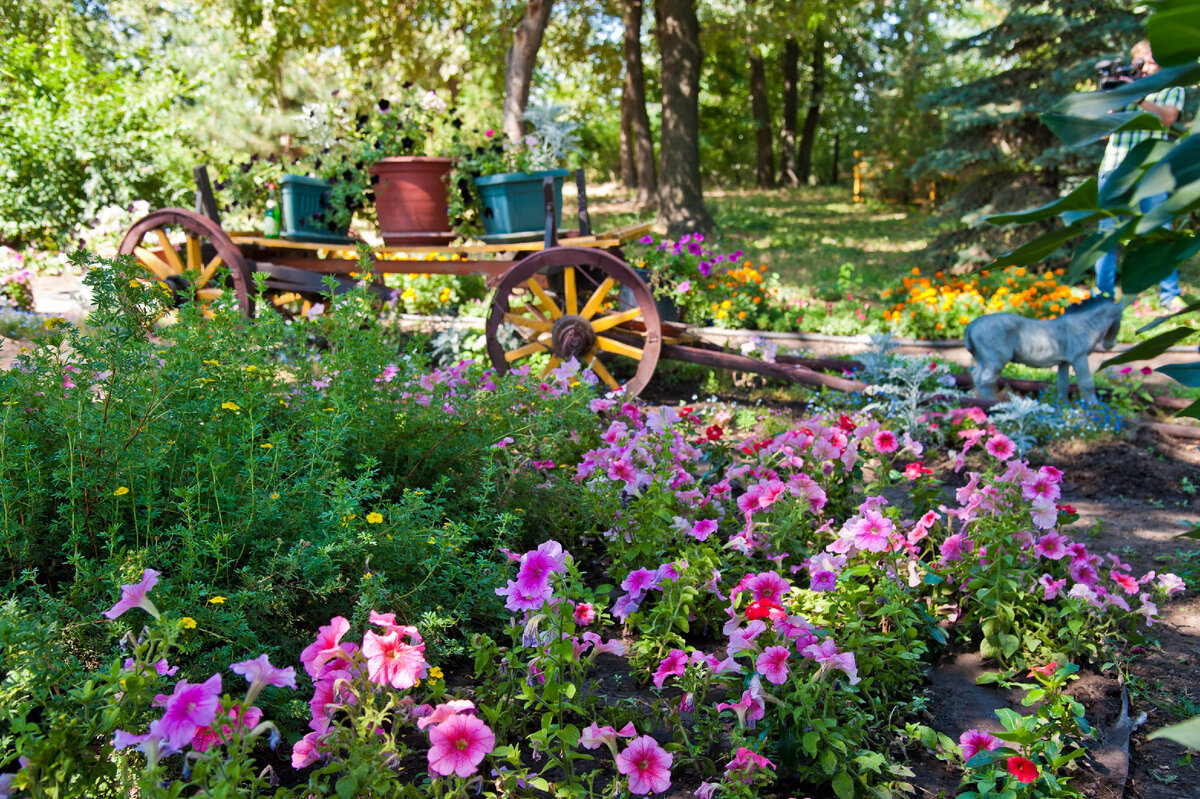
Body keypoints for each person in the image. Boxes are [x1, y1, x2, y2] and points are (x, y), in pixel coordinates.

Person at [1096, 40, 1187, 310]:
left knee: (1160, 231)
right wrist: (1113, 96)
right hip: (1115, 168)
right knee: (1106, 234)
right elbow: (1102, 131)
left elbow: (1168, 118)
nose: (1147, 67)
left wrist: (1140, 99)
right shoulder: (1124, 88)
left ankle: (1169, 296)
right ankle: (1102, 298)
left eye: (1151, 61)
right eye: (1142, 62)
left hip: (1152, 170)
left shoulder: (1172, 87)